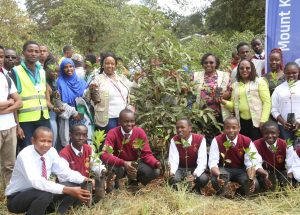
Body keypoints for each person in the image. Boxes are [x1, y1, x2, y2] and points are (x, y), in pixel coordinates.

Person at [5, 126, 91, 214]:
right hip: (17, 198)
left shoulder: (51, 151)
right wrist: (67, 189)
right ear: (33, 141)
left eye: (49, 141)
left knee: (74, 185)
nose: (46, 144)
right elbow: (37, 182)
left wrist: (85, 179)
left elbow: (65, 172)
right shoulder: (25, 155)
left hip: (40, 193)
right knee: (46, 193)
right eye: (42, 141)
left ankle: (57, 212)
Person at [101, 109, 161, 186]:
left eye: (132, 121)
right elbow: (105, 155)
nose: (129, 124)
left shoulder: (139, 132)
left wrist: (156, 163)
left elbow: (146, 154)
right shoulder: (113, 133)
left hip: (134, 164)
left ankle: (133, 183)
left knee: (155, 171)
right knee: (112, 168)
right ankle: (115, 186)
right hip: (120, 164)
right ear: (119, 121)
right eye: (126, 121)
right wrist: (124, 163)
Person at [11, 41, 51, 150]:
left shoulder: (42, 71)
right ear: (23, 53)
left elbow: (43, 94)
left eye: (36, 51)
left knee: (45, 149)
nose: (33, 54)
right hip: (25, 120)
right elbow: (13, 100)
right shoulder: (16, 71)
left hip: (43, 117)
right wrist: (17, 126)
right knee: (27, 151)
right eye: (30, 51)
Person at [84, 52, 137, 133]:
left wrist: (136, 80)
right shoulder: (98, 79)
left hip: (123, 118)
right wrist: (90, 89)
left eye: (112, 64)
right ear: (102, 65)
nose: (110, 66)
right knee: (109, 143)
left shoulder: (121, 78)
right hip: (107, 119)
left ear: (115, 65)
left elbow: (131, 88)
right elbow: (86, 96)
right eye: (107, 63)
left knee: (122, 143)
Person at [208, 116, 260, 196]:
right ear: (224, 129)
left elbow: (250, 163)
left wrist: (251, 179)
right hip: (224, 169)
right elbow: (213, 163)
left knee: (255, 185)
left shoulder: (246, 141)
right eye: (227, 128)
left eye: (234, 128)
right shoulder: (217, 140)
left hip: (241, 170)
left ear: (239, 128)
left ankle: (239, 194)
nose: (231, 130)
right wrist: (219, 175)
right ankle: (222, 194)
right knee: (216, 180)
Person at [223, 59, 271, 141]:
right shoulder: (235, 85)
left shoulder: (259, 82)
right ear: (238, 70)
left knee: (255, 146)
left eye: (247, 68)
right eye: (241, 68)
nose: (244, 70)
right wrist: (223, 102)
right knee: (244, 146)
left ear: (252, 69)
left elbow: (267, 102)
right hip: (241, 122)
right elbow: (233, 106)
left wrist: (263, 120)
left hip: (257, 122)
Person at [0, 45, 22, 183]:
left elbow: (19, 102)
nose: (1, 59)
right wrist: (9, 102)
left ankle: (9, 194)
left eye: (1, 56)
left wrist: (5, 108)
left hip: (9, 126)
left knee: (10, 164)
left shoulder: (6, 76)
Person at [168, 118, 209, 192]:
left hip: (194, 168)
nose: (179, 130)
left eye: (182, 127)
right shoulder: (174, 140)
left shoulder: (200, 139)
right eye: (177, 128)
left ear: (190, 128)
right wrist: (172, 172)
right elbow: (173, 160)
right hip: (180, 168)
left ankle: (196, 190)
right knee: (173, 179)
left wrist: (194, 175)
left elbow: (202, 162)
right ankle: (181, 192)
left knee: (203, 179)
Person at [56, 58, 88, 147]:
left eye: (71, 66)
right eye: (65, 67)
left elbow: (86, 98)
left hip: (81, 117)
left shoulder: (81, 81)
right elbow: (59, 102)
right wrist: (74, 112)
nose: (69, 69)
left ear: (74, 67)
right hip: (67, 116)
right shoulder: (59, 82)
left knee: (81, 142)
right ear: (62, 69)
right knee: (68, 142)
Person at [254, 121, 294, 191]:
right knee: (265, 186)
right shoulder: (255, 144)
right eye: (266, 133)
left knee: (285, 185)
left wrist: (289, 176)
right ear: (262, 133)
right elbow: (256, 163)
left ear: (278, 133)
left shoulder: (287, 144)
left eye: (273, 133)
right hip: (265, 173)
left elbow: (290, 164)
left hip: (281, 171)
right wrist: (264, 175)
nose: (270, 136)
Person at [194, 53, 232, 124]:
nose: (208, 65)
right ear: (202, 64)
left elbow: (230, 92)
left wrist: (220, 95)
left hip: (220, 113)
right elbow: (190, 90)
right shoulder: (196, 75)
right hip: (201, 113)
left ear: (216, 64)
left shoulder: (224, 75)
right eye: (206, 62)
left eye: (211, 62)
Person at [271, 62, 300, 143]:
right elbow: (273, 109)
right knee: (287, 149)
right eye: (288, 73)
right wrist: (283, 122)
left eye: (294, 72)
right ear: (284, 73)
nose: (291, 75)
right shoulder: (278, 89)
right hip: (284, 128)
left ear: (299, 72)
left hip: (299, 126)